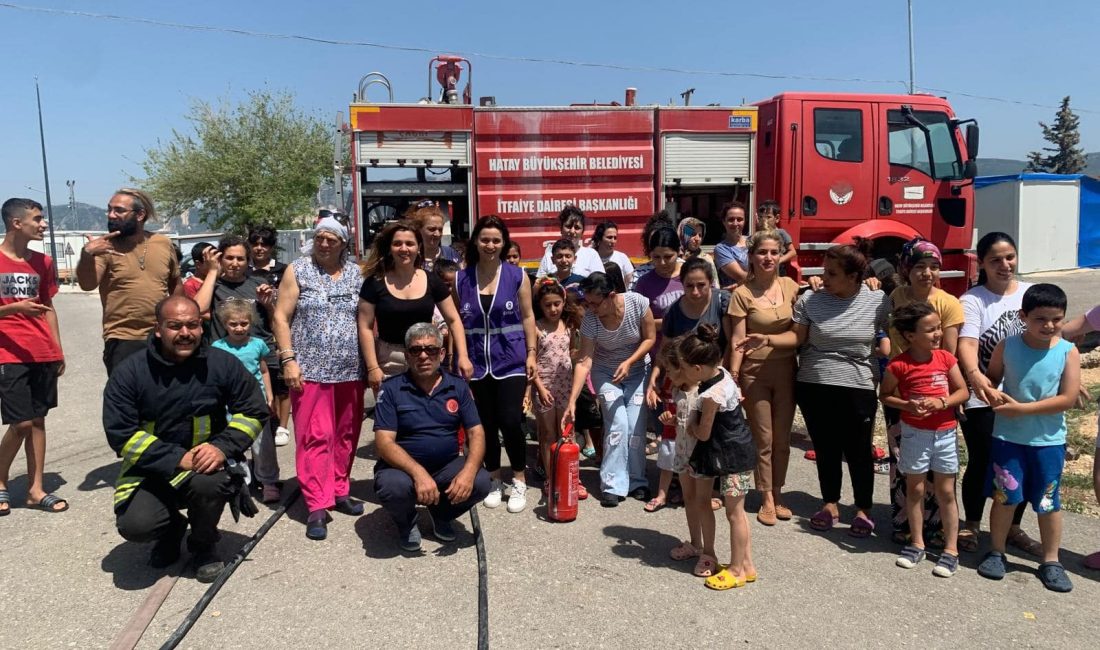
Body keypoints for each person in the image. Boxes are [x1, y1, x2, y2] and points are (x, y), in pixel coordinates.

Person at [106, 295, 268, 583]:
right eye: (175, 326)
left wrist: (222, 447)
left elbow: (254, 411)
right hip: (151, 469)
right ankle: (171, 532)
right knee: (136, 525)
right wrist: (175, 458)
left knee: (212, 482)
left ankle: (203, 546)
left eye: (193, 325)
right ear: (158, 329)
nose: (185, 333)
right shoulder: (130, 372)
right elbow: (121, 433)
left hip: (205, 464)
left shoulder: (222, 364)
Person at [741, 242, 888, 536]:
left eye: (832, 273)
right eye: (824, 271)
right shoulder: (811, 300)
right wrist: (767, 340)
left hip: (857, 384)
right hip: (814, 383)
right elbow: (796, 338)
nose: (824, 278)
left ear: (854, 276)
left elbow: (897, 332)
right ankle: (830, 503)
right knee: (826, 447)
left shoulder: (878, 299)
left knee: (858, 449)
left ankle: (863, 508)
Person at [976, 284, 1079, 593]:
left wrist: (1022, 409)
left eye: (1056, 319)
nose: (1049, 325)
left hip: (1048, 441)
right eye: (1040, 319)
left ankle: (1051, 560)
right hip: (1007, 438)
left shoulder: (1067, 351)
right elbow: (992, 379)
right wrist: (987, 389)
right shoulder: (1007, 346)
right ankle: (996, 551)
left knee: (1048, 502)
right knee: (1005, 498)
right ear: (1023, 316)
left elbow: (1068, 398)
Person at [272, 216, 365, 540]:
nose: (324, 243)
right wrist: (288, 360)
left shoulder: (356, 273)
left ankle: (339, 489)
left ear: (343, 242)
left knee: (346, 434)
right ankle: (316, 503)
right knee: (315, 436)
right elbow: (281, 317)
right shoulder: (298, 270)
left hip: (351, 370)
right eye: (320, 237)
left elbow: (366, 318)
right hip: (309, 370)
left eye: (332, 239)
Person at [373, 323, 492, 551]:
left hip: (445, 465)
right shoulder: (391, 389)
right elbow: (384, 443)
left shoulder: (457, 386)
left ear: (442, 353)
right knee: (391, 487)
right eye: (416, 350)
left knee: (481, 481)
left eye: (431, 349)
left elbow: (476, 433)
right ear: (407, 356)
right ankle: (406, 522)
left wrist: (467, 473)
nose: (424, 355)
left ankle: (441, 514)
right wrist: (418, 473)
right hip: (402, 469)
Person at [956, 232, 1039, 555]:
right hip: (984, 397)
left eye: (1010, 257)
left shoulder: (1032, 294)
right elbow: (968, 344)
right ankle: (972, 524)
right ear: (982, 264)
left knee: (1020, 464)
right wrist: (975, 377)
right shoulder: (973, 299)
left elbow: (1052, 336)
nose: (1005, 265)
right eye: (996, 260)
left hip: (1026, 398)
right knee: (982, 460)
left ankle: (1013, 527)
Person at [884, 238, 964, 546]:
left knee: (939, 467)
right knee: (902, 459)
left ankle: (938, 526)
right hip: (900, 390)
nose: (927, 273)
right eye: (919, 266)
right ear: (906, 269)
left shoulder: (948, 303)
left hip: (936, 395)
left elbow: (950, 353)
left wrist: (940, 398)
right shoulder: (896, 296)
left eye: (933, 267)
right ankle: (904, 520)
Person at [880, 303, 969, 577]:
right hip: (914, 434)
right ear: (910, 335)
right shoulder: (898, 365)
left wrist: (942, 402)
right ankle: (916, 542)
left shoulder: (945, 359)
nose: (938, 334)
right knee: (915, 490)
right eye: (930, 330)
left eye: (938, 328)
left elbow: (963, 392)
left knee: (945, 492)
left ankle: (951, 549)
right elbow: (885, 396)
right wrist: (907, 405)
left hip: (944, 433)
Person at [456, 216, 538, 513]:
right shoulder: (461, 278)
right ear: (475, 241)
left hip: (511, 360)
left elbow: (528, 316)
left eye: (496, 240)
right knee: (485, 425)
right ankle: (493, 478)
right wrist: (460, 357)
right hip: (476, 363)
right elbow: (456, 323)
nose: (490, 245)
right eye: (485, 239)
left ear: (503, 244)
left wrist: (531, 353)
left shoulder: (517, 276)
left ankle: (518, 478)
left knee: (511, 422)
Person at [643, 258, 731, 512]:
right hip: (684, 382)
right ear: (681, 285)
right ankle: (685, 487)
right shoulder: (674, 312)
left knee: (712, 434)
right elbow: (667, 350)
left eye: (701, 285)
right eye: (689, 285)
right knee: (687, 432)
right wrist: (655, 376)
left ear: (711, 283)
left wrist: (725, 376)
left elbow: (731, 341)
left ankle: (713, 488)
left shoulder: (722, 302)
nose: (695, 291)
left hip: (714, 381)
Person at [562, 272, 656, 507]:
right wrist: (572, 399)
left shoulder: (638, 303)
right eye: (587, 303)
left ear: (611, 296)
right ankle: (612, 484)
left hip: (636, 372)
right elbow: (584, 361)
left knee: (635, 427)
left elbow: (650, 338)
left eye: (595, 302)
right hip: (605, 374)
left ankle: (636, 480)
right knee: (618, 426)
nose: (591, 308)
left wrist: (630, 361)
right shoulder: (591, 321)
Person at [193, 235, 283, 480]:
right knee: (228, 422)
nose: (234, 263)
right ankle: (238, 474)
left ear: (248, 260)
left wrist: (269, 303)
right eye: (229, 258)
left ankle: (266, 474)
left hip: (259, 359)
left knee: (263, 423)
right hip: (225, 365)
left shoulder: (258, 283)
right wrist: (212, 272)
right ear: (221, 259)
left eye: (240, 258)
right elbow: (198, 310)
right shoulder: (214, 285)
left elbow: (275, 320)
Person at [676, 325, 757, 590]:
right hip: (730, 452)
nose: (683, 373)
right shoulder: (721, 373)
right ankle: (746, 565)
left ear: (697, 369)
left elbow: (703, 432)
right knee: (736, 512)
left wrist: (691, 425)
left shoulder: (712, 394)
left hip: (731, 456)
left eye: (685, 367)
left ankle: (735, 570)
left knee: (735, 513)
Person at [727, 231, 799, 525]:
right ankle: (767, 496)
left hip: (786, 371)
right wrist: (733, 376)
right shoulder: (741, 294)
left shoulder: (791, 287)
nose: (768, 258)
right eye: (762, 253)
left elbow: (801, 329)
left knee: (783, 438)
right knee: (764, 437)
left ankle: (779, 492)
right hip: (754, 373)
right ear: (751, 257)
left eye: (773, 252)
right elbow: (737, 339)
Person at [0, 198, 67, 515]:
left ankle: (35, 490)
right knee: (22, 422)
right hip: (7, 352)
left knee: (38, 420)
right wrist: (13, 309)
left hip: (42, 351)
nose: (43, 224)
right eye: (38, 219)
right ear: (16, 223)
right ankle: (0, 481)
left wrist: (57, 347)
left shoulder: (44, 262)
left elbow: (48, 308)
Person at [76, 188, 180, 375]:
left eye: (119, 210)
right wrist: (87, 254)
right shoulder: (104, 247)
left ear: (140, 214)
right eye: (109, 210)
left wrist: (180, 323)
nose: (111, 215)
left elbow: (175, 284)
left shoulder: (162, 243)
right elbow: (88, 284)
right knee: (127, 401)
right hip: (122, 339)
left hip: (161, 336)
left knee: (166, 398)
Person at [359, 220, 471, 392]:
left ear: (419, 247)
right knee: (391, 416)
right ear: (390, 248)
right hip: (389, 360)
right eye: (397, 244)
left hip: (426, 358)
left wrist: (462, 356)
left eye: (410, 244)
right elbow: (365, 327)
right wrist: (373, 367)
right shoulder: (374, 283)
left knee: (426, 414)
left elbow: (454, 320)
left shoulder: (432, 280)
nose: (404, 249)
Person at [211, 299, 278, 504]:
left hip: (255, 400)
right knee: (234, 442)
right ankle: (242, 481)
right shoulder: (218, 347)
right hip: (229, 402)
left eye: (244, 323)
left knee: (263, 443)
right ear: (225, 324)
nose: (239, 328)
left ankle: (268, 481)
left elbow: (264, 371)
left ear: (251, 323)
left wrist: (270, 395)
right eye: (233, 324)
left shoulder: (258, 345)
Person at [531, 279, 588, 500]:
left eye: (557, 303)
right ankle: (551, 477)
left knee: (567, 433)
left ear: (564, 301)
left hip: (565, 386)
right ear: (540, 305)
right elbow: (531, 362)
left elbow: (575, 350)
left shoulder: (570, 325)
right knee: (547, 435)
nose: (553, 309)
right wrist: (538, 388)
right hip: (543, 387)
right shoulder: (535, 327)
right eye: (548, 305)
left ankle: (572, 477)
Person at [248, 225, 291, 446]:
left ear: (272, 247)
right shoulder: (244, 272)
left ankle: (283, 427)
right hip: (251, 336)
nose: (259, 248)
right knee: (260, 384)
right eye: (255, 243)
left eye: (264, 244)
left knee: (282, 383)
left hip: (277, 334)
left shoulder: (284, 271)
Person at [536, 206, 604, 278]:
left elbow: (601, 284)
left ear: (582, 232)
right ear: (561, 229)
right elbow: (539, 284)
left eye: (577, 228)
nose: (572, 231)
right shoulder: (549, 255)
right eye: (568, 226)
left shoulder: (591, 255)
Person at [412, 202, 461, 272]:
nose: (437, 234)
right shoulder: (411, 256)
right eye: (432, 229)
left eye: (440, 229)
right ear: (419, 229)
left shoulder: (451, 254)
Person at [713, 201, 750, 289]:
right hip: (734, 297)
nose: (735, 223)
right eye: (731, 219)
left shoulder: (753, 241)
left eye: (739, 219)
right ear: (724, 222)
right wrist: (763, 278)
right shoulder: (721, 249)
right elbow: (741, 276)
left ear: (745, 221)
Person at [754, 200, 795, 273]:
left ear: (777, 218)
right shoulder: (758, 235)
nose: (764, 220)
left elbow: (792, 252)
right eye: (761, 217)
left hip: (779, 270)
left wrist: (779, 260)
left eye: (768, 217)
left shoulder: (781, 233)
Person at [591, 220, 635, 287]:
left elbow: (630, 281)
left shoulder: (622, 257)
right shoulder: (590, 257)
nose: (613, 241)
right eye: (609, 237)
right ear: (599, 238)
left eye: (615, 238)